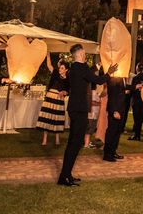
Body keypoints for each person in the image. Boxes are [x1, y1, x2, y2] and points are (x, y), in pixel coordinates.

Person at [57, 44, 116, 187]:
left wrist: (96, 66)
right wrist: (109, 72)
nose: (85, 55)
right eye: (84, 52)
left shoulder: (73, 69)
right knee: (75, 144)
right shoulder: (81, 68)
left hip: (74, 108)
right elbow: (99, 80)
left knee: (73, 143)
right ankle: (64, 177)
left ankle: (66, 175)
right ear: (81, 54)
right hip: (80, 110)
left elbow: (87, 74)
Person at [36, 54, 69, 146]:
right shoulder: (55, 73)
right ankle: (45, 139)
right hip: (50, 98)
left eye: (62, 68)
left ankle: (57, 139)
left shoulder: (68, 80)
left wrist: (63, 92)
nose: (60, 69)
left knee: (57, 119)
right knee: (47, 118)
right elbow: (49, 65)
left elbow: (68, 91)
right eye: (60, 68)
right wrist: (48, 56)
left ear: (66, 70)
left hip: (59, 100)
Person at [103, 76, 126, 162]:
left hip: (121, 108)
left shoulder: (122, 77)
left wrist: (135, 86)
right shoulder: (114, 77)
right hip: (115, 110)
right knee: (111, 132)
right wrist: (114, 111)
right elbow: (112, 95)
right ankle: (107, 154)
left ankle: (113, 152)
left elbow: (122, 88)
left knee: (117, 132)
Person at [128, 63, 143, 141]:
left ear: (137, 68)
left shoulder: (136, 77)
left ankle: (137, 135)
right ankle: (138, 134)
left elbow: (133, 89)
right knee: (141, 118)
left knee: (136, 119)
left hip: (136, 100)